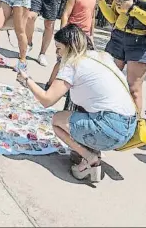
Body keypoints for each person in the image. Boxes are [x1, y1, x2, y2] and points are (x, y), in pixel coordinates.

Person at [16, 24, 137, 182]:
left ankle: (89, 157)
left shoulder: (72, 64)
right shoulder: (102, 56)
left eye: (59, 48)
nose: (57, 53)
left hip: (110, 130)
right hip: (130, 128)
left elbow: (47, 100)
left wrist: (27, 80)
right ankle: (91, 151)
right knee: (82, 111)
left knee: (57, 121)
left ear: (69, 47)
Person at [46, 0, 98, 88]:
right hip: (73, 34)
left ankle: (71, 86)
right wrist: (63, 34)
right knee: (63, 61)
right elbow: (65, 14)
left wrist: (92, 35)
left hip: (85, 35)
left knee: (81, 62)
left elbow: (93, 16)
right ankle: (50, 84)